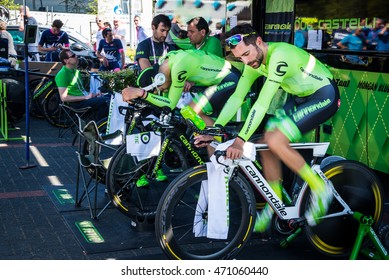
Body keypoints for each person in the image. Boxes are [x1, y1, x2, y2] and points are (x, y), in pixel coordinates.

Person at [198, 23, 340, 232]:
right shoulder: (252, 61)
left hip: (324, 95)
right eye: (240, 59)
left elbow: (262, 104)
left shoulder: (279, 55)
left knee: (275, 140)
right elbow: (237, 97)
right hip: (301, 98)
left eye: (246, 54)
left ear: (258, 42)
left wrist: (240, 140)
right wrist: (215, 129)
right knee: (265, 143)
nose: (246, 61)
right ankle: (276, 203)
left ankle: (321, 188)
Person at [122, 49, 241, 187]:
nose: (162, 92)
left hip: (229, 78)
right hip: (214, 79)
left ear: (159, 79)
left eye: (159, 89)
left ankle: (219, 161)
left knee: (192, 111)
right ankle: (212, 148)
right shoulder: (164, 65)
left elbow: (170, 104)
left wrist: (142, 94)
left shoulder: (178, 67)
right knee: (189, 113)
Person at [55, 50, 110, 122]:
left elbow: (81, 90)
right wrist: (86, 97)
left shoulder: (76, 71)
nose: (76, 56)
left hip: (83, 100)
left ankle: (99, 125)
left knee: (110, 97)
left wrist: (94, 95)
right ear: (66, 61)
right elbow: (64, 98)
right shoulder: (62, 74)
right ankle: (98, 127)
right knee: (105, 101)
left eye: (75, 54)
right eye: (73, 56)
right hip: (76, 104)